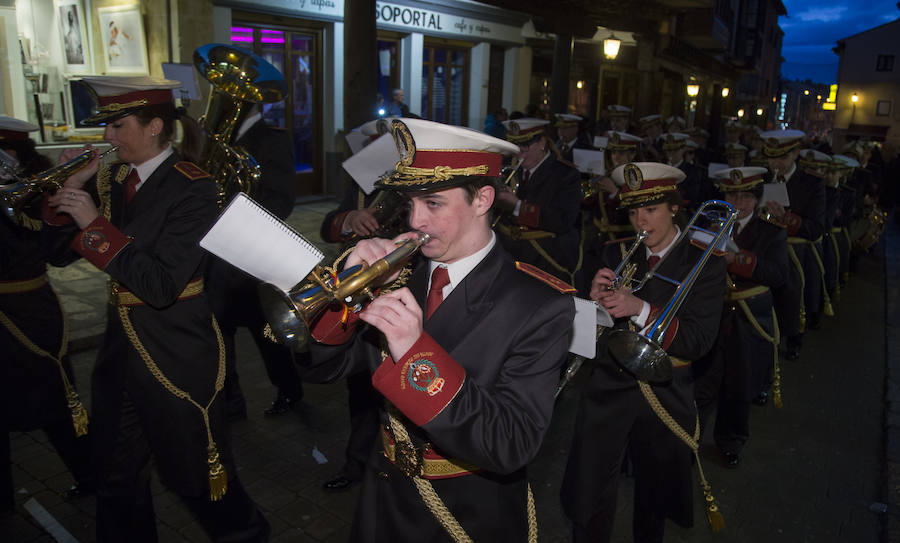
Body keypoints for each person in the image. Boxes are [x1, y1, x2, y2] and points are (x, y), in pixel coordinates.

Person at [301, 117, 574, 541]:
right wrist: (347, 295)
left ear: (483, 199)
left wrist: (414, 354)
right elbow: (322, 370)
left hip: (465, 512)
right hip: (383, 497)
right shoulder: (399, 273)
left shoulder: (540, 305)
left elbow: (511, 444)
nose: (415, 221)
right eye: (410, 204)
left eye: (433, 204)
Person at [39, 77, 268, 542]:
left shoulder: (194, 188)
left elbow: (161, 286)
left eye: (118, 126)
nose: (108, 139)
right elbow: (59, 254)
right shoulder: (115, 178)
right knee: (116, 475)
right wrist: (65, 192)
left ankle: (248, 536)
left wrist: (94, 223)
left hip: (175, 353)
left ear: (155, 126)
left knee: (195, 477)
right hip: (120, 352)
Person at [561, 162, 727, 543]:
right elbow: (590, 334)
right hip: (609, 383)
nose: (640, 221)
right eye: (633, 211)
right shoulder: (615, 251)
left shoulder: (704, 261)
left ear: (674, 208)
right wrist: (595, 305)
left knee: (654, 494)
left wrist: (639, 308)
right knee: (591, 488)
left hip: (665, 389)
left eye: (650, 210)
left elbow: (700, 341)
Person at [1, 116, 93, 511]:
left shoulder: (33, 191)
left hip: (29, 309)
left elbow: (56, 254)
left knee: (57, 401)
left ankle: (90, 475)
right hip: (20, 309)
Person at [204, 99, 304, 419]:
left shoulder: (272, 139)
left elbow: (282, 200)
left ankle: (289, 390)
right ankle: (231, 400)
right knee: (220, 335)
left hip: (251, 260)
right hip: (216, 258)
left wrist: (234, 218)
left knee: (267, 335)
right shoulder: (214, 141)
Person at [694, 167, 789, 467]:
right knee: (703, 381)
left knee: (739, 384)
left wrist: (740, 261)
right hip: (713, 314)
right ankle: (690, 436)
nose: (739, 202)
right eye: (733, 195)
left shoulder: (771, 231)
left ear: (757, 200)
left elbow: (778, 275)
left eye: (747, 196)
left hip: (748, 319)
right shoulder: (709, 225)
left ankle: (731, 440)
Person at [761, 129, 826, 361]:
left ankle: (794, 337)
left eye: (782, 158)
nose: (775, 163)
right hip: (764, 248)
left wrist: (786, 218)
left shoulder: (812, 183)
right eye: (771, 158)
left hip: (795, 251)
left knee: (791, 295)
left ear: (796, 153)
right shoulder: (760, 178)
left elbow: (816, 228)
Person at [495, 118, 583, 284]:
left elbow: (562, 221)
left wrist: (517, 206)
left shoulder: (566, 175)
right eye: (515, 149)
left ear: (542, 142)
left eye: (525, 148)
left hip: (546, 258)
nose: (519, 155)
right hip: (508, 254)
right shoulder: (508, 168)